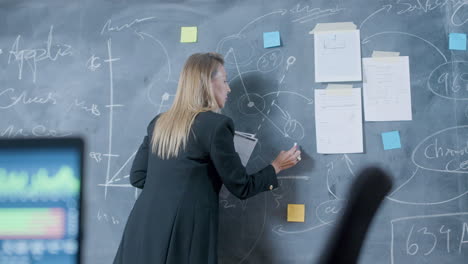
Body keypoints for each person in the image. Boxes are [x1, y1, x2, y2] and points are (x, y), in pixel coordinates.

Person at [113, 52, 301, 264]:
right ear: (208, 83)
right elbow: (242, 187)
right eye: (225, 81)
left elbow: (137, 177)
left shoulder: (159, 123)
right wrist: (276, 166)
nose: (229, 88)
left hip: (142, 227)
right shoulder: (216, 126)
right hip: (185, 232)